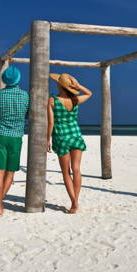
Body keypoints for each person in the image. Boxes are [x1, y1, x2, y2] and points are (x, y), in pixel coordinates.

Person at [47, 73, 92, 214]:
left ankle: (74, 203)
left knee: (66, 172)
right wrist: (77, 85)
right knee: (77, 169)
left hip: (61, 138)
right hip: (75, 135)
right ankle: (75, 201)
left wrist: (47, 139)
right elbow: (89, 93)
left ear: (60, 85)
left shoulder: (52, 101)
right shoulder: (75, 100)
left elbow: (50, 123)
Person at [0, 65, 29, 215]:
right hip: (16, 136)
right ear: (18, 79)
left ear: (5, 80)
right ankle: (0, 203)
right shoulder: (25, 95)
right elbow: (28, 114)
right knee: (10, 172)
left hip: (1, 135)